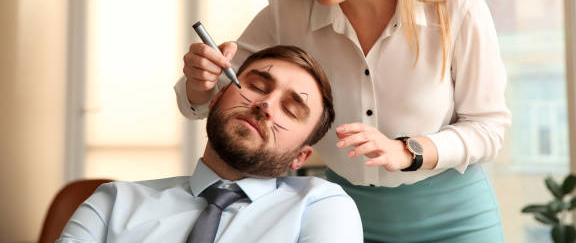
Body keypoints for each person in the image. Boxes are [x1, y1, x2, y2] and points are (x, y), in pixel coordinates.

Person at [177, 0, 511, 242]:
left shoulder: (457, 9)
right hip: (340, 214)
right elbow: (214, 98)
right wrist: (200, 84)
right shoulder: (288, 11)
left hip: (456, 219)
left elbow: (489, 129)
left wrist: (408, 151)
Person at [59, 45, 363, 243]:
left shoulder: (321, 206)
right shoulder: (113, 202)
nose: (266, 104)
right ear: (216, 98)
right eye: (256, 86)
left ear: (301, 156)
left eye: (291, 109)